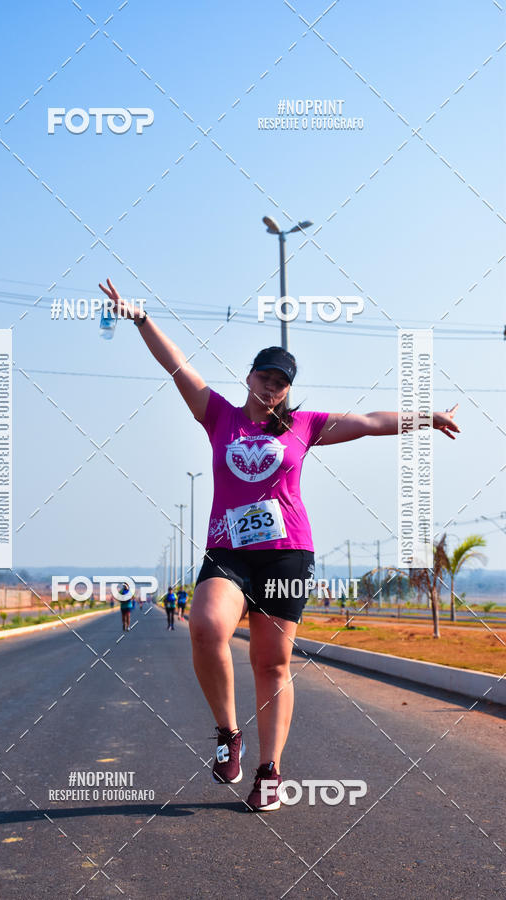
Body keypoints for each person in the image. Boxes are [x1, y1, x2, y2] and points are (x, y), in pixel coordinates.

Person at [98, 277, 460, 811]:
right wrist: (139, 318)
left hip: (288, 554)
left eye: (281, 382)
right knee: (205, 627)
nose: (272, 387)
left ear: (288, 389)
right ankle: (229, 735)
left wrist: (424, 418)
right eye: (265, 377)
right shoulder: (217, 414)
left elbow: (365, 422)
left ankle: (270, 771)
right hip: (228, 551)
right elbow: (177, 367)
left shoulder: (304, 426)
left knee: (271, 664)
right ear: (248, 376)